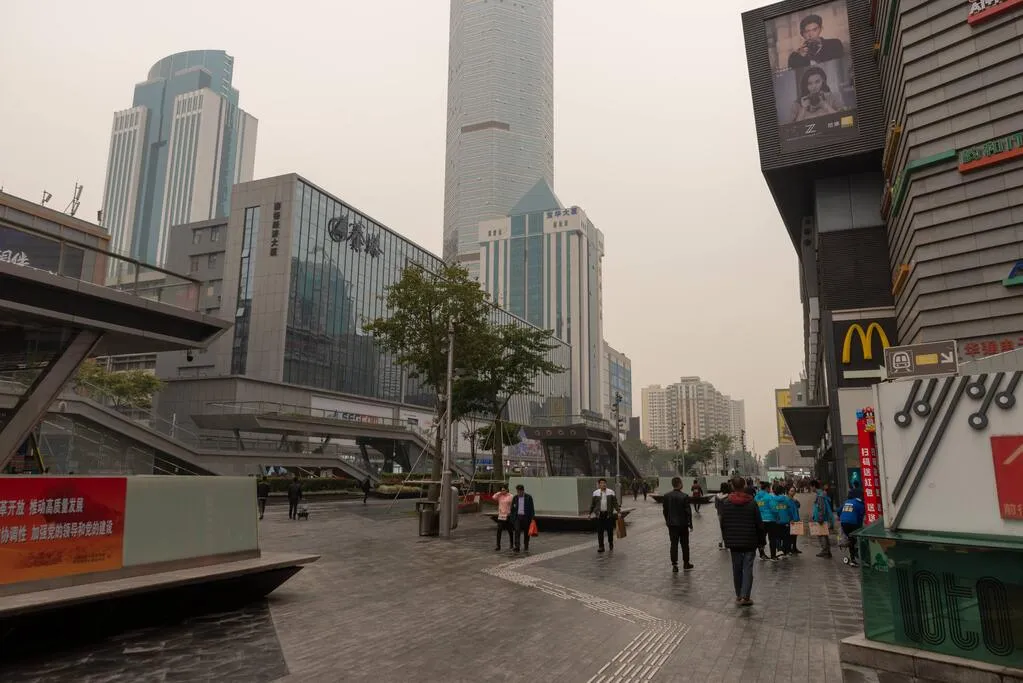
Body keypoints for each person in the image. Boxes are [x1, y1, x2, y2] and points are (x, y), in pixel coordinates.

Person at [720, 476, 766, 607]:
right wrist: (762, 541)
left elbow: (723, 523)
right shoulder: (751, 502)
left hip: (734, 542)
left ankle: (739, 595)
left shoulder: (726, 503)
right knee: (748, 568)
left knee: (737, 568)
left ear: (733, 487)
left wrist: (726, 539)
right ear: (744, 486)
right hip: (750, 541)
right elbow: (759, 524)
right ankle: (745, 597)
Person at [662, 476, 694, 571]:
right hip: (683, 524)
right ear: (680, 484)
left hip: (672, 524)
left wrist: (667, 521)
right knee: (685, 544)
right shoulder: (684, 496)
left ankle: (674, 565)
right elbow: (688, 512)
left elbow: (665, 511)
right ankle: (686, 563)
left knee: (674, 544)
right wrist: (690, 524)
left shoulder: (667, 496)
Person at [589, 478, 621, 553]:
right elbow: (593, 504)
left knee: (610, 530)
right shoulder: (595, 493)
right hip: (599, 515)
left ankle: (610, 543)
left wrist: (618, 511)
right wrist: (589, 513)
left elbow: (615, 503)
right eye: (601, 483)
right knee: (600, 531)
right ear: (599, 484)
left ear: (606, 484)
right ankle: (601, 546)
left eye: (604, 483)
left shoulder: (611, 492)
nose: (603, 484)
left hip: (608, 514)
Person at [839, 486, 866, 567]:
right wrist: (860, 528)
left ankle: (853, 556)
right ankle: (854, 558)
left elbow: (838, 511)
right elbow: (860, 518)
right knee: (854, 540)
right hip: (853, 523)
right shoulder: (860, 504)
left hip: (844, 522)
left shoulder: (847, 502)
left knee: (851, 539)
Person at [811, 479, 835, 558]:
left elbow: (821, 508)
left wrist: (820, 518)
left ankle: (825, 550)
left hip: (821, 518)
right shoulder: (821, 494)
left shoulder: (820, 495)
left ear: (814, 486)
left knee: (821, 535)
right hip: (822, 518)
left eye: (811, 487)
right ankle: (827, 551)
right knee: (824, 534)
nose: (811, 489)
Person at [754, 482, 777, 561]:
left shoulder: (756, 497)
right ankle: (773, 556)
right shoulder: (769, 497)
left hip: (760, 521)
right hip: (770, 520)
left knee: (761, 538)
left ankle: (762, 554)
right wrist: (777, 515)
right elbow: (774, 508)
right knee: (772, 538)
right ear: (767, 488)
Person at [512, 484, 535, 553]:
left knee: (526, 532)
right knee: (517, 531)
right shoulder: (515, 498)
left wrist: (532, 518)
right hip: (518, 517)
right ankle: (517, 546)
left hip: (526, 517)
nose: (518, 493)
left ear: (523, 491)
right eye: (517, 491)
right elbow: (512, 509)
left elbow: (532, 508)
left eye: (520, 491)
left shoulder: (528, 497)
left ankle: (526, 545)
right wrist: (513, 518)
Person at [771, 484, 792, 557]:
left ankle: (779, 550)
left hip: (776, 521)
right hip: (786, 521)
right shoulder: (787, 499)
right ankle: (785, 551)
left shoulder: (772, 499)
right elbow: (790, 510)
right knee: (786, 537)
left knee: (777, 537)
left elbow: (772, 510)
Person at [492, 485, 514, 551]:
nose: (503, 491)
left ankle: (511, 544)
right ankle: (498, 545)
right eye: (502, 490)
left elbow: (514, 504)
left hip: (508, 516)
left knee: (510, 530)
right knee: (499, 530)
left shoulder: (511, 496)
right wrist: (499, 493)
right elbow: (493, 497)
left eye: (504, 490)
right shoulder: (500, 496)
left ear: (507, 490)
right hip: (501, 516)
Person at [714, 481, 732, 550]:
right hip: (728, 514)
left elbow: (716, 506)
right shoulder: (729, 495)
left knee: (721, 528)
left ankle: (721, 542)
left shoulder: (717, 496)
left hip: (720, 514)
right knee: (727, 528)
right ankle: (727, 543)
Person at [787, 487, 802, 554]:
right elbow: (786, 511)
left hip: (796, 519)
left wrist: (796, 501)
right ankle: (790, 548)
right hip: (791, 520)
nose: (793, 492)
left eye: (794, 491)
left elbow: (799, 506)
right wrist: (790, 519)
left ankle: (794, 548)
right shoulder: (786, 500)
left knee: (795, 535)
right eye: (791, 491)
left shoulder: (794, 500)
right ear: (788, 492)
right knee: (791, 536)